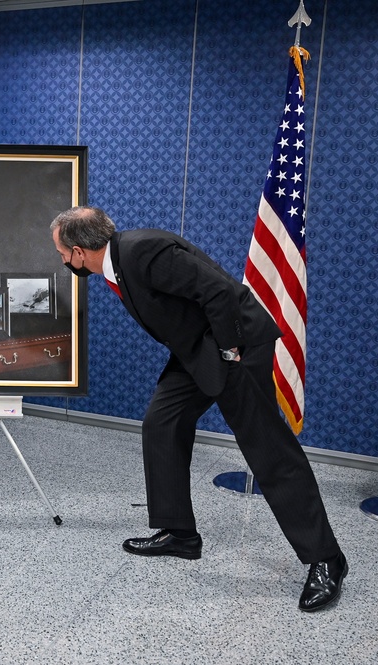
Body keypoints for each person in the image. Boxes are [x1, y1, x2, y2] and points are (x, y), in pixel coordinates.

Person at [50, 205, 348, 613]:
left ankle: (326, 559)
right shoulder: (120, 262)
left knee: (268, 450)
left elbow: (219, 291)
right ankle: (179, 533)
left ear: (80, 252)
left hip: (235, 344)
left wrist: (229, 349)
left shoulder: (142, 252)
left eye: (62, 254)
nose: (63, 261)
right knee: (162, 422)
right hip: (197, 349)